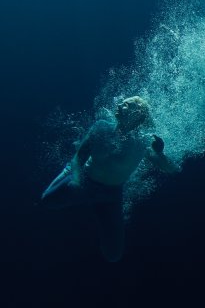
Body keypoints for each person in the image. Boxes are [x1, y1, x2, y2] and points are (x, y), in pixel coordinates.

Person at [39, 96, 177, 262]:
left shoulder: (143, 142)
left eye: (126, 104)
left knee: (113, 255)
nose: (119, 104)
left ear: (139, 114)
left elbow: (172, 169)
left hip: (110, 197)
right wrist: (75, 179)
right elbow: (78, 158)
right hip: (84, 180)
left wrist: (160, 153)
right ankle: (68, 173)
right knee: (46, 201)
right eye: (122, 102)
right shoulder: (101, 128)